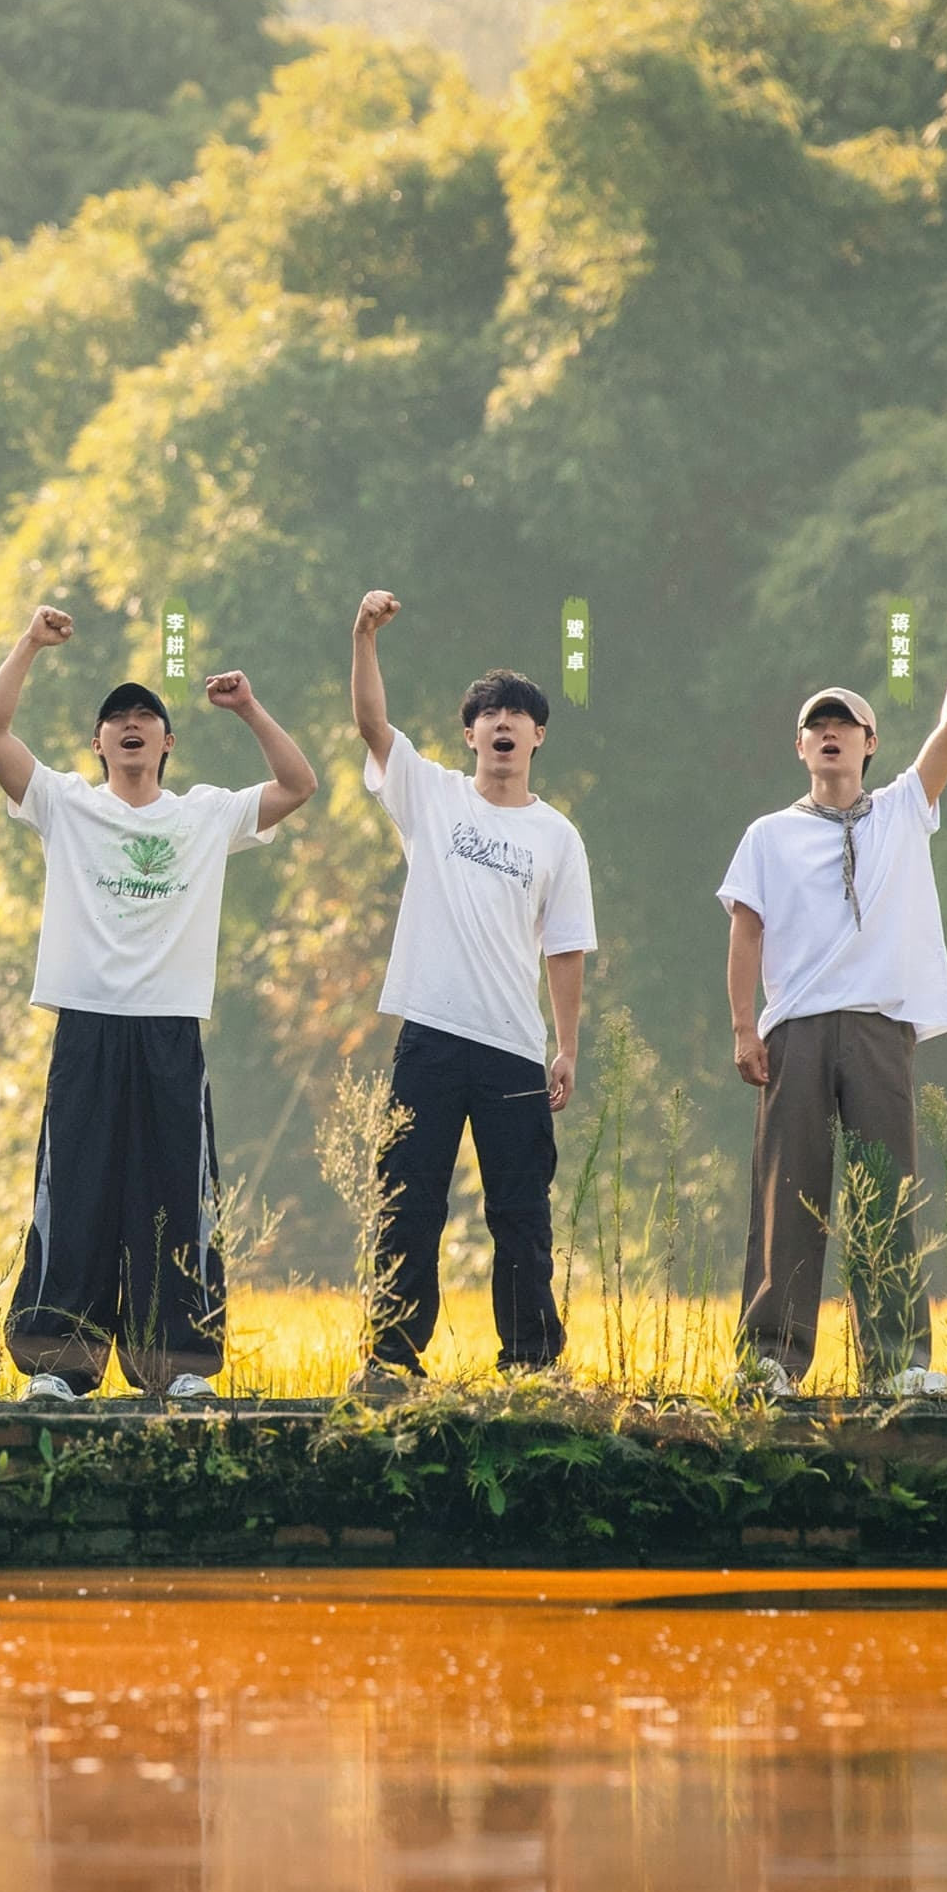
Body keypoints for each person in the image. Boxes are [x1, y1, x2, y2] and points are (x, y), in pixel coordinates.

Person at [0, 607, 315, 1401]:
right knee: (78, 1189)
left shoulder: (203, 815)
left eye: (146, 720)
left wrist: (250, 708)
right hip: (87, 1024)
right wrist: (29, 642)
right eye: (117, 721)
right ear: (98, 744)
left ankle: (179, 1367)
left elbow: (300, 784)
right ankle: (59, 1368)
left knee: (173, 1196)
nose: (132, 727)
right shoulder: (65, 805)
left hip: (168, 1030)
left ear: (167, 744)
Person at [720, 594, 947, 1396]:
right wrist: (744, 1029)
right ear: (802, 745)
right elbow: (745, 933)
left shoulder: (904, 811)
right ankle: (770, 1360)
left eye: (847, 723)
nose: (831, 731)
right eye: (818, 724)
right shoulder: (768, 834)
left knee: (883, 1191)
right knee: (788, 1194)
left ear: (870, 743)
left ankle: (896, 1363)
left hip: (877, 1029)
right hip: (795, 1029)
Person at [347, 589, 598, 1397]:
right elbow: (372, 727)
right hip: (429, 1033)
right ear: (470, 734)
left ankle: (530, 1362)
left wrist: (566, 1047)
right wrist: (365, 639)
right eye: (488, 714)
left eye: (517, 715)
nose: (502, 725)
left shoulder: (556, 836)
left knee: (521, 1212)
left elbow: (565, 951)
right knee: (407, 1202)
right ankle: (391, 1358)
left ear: (537, 735)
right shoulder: (433, 798)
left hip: (513, 1047)